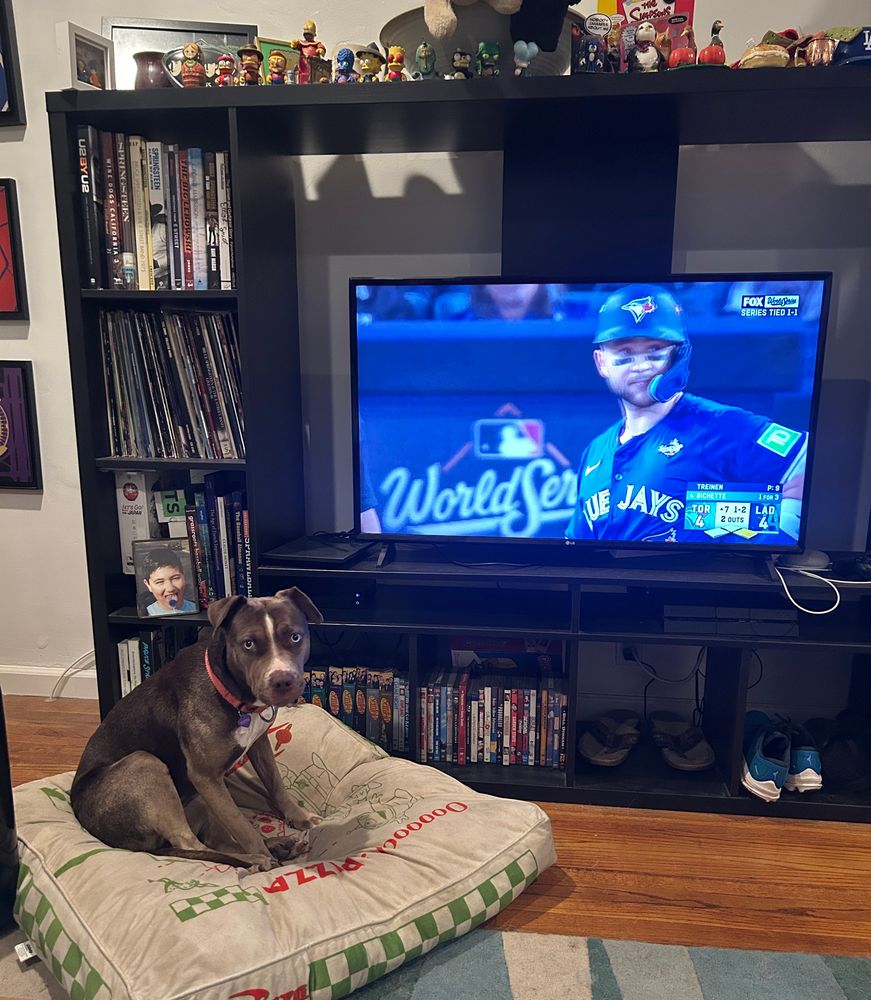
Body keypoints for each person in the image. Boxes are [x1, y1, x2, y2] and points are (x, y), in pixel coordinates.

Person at [565, 284, 807, 544]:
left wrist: (766, 545)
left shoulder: (720, 425)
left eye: (654, 351)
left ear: (679, 356)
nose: (641, 365)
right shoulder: (596, 451)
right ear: (601, 363)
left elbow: (808, 464)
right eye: (625, 353)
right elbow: (577, 544)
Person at [140, 547, 198, 616]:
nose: (170, 588)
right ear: (148, 585)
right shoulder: (146, 613)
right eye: (159, 582)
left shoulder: (198, 609)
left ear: (184, 577)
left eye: (175, 578)